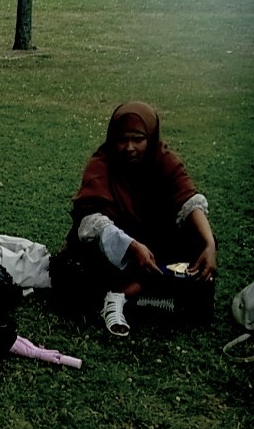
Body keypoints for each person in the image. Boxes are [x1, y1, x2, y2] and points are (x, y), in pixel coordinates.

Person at [54, 102, 216, 336]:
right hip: (115, 248)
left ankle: (126, 295)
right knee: (77, 269)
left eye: (138, 139)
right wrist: (131, 246)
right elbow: (91, 220)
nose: (129, 148)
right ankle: (137, 295)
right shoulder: (101, 164)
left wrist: (209, 244)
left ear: (151, 137)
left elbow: (189, 201)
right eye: (122, 140)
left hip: (156, 245)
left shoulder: (164, 160)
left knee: (198, 242)